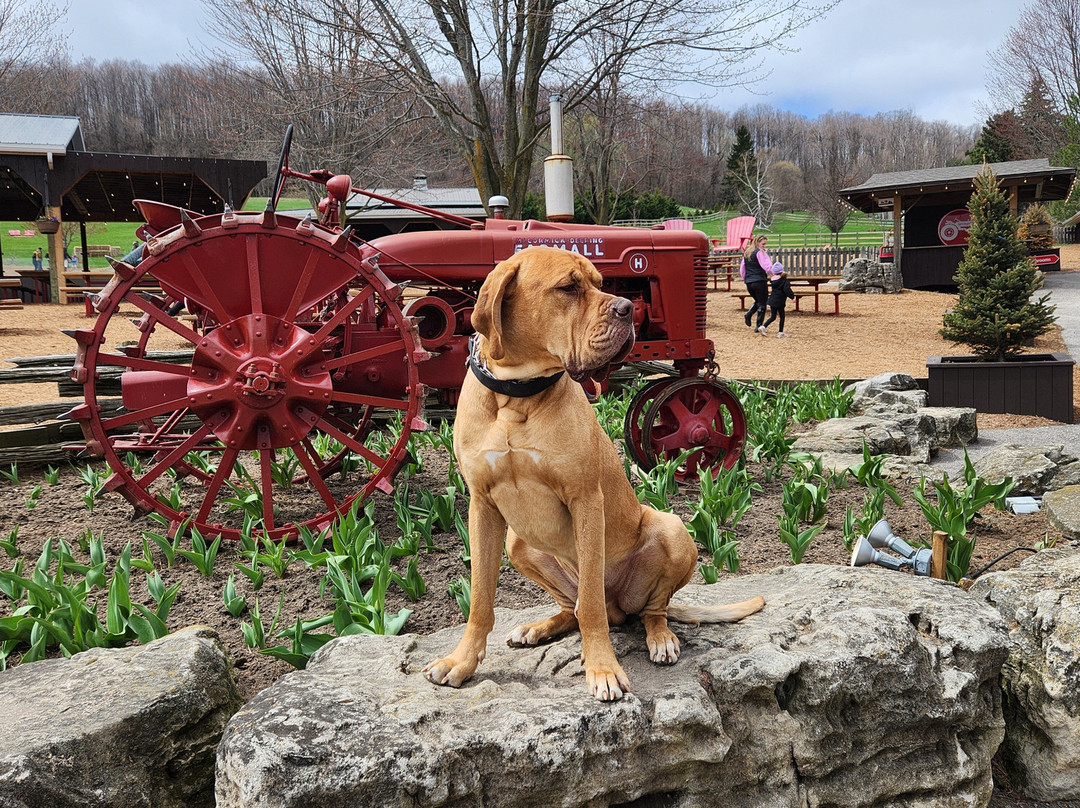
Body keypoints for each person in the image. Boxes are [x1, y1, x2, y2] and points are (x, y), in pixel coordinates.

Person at [739, 235, 772, 329]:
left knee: (758, 301)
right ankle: (758, 326)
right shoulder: (760, 252)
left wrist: (745, 279)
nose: (764, 246)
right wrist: (776, 272)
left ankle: (749, 314)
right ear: (757, 242)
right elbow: (766, 266)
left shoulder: (747, 253)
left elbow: (742, 269)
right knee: (763, 303)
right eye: (763, 244)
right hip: (759, 280)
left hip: (749, 282)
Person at [758, 262, 794, 337]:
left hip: (772, 300)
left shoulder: (773, 281)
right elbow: (787, 290)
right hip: (780, 301)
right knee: (782, 316)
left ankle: (763, 326)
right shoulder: (784, 281)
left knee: (773, 316)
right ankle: (780, 332)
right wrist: (792, 297)